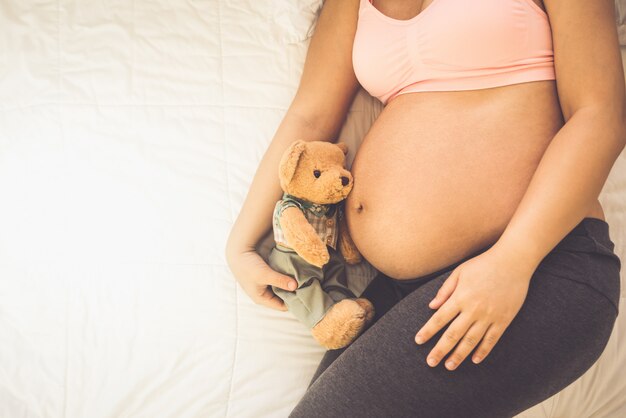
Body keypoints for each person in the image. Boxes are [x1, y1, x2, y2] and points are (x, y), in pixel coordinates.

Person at [225, 0, 626, 416]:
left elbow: (600, 115)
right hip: (404, 290)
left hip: (539, 264)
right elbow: (311, 113)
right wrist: (242, 244)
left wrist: (512, 262)